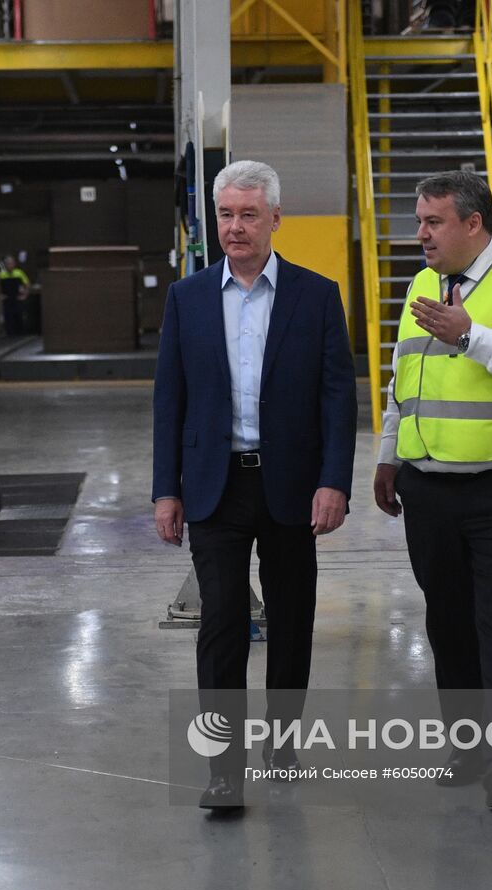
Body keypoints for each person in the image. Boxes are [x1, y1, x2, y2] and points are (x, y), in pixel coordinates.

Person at [152, 159, 357, 812]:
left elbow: (338, 398)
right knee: (221, 625)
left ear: (275, 218)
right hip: (215, 487)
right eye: (225, 214)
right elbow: (169, 400)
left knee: (292, 621)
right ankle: (224, 769)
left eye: (248, 214)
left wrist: (334, 481)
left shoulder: (315, 296)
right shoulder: (187, 298)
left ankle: (284, 745)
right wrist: (165, 490)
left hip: (291, 485)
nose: (235, 227)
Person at [371, 170, 492, 811]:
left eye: (433, 222)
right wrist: (388, 456)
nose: (421, 234)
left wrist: (470, 335)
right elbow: (404, 378)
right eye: (419, 221)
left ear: (473, 223)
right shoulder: (422, 286)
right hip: (429, 487)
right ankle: (468, 745)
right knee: (448, 623)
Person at [0, 254, 31, 335]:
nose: (9, 265)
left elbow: (27, 284)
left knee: (19, 317)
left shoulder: (19, 273)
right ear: (5, 265)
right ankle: (10, 335)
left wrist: (25, 295)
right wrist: (0, 295)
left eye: (11, 263)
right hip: (7, 299)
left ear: (14, 264)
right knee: (8, 318)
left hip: (17, 299)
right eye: (7, 264)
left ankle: (21, 334)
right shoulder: (1, 275)